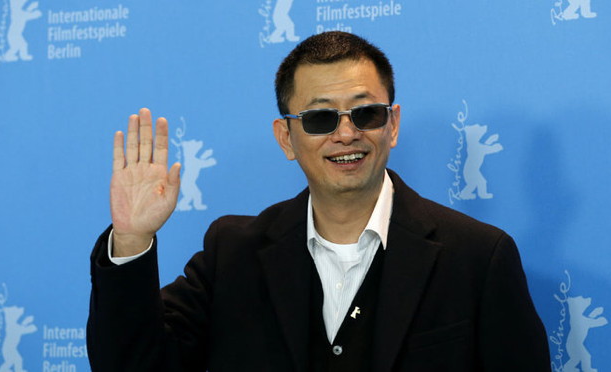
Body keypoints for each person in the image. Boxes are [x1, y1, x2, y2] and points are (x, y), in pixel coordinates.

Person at [87, 32, 551, 371]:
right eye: (320, 118)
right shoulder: (233, 254)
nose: (346, 133)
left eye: (365, 112)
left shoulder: (477, 257)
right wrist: (131, 239)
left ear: (391, 125)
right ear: (286, 138)